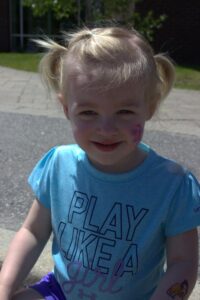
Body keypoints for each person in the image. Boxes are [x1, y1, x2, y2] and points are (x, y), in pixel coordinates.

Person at [0, 26, 199, 300]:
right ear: (66, 108)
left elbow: (183, 262)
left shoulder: (173, 185)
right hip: (62, 291)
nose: (106, 128)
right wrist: (4, 288)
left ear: (150, 106)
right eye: (89, 112)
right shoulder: (58, 164)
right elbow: (32, 232)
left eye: (125, 112)